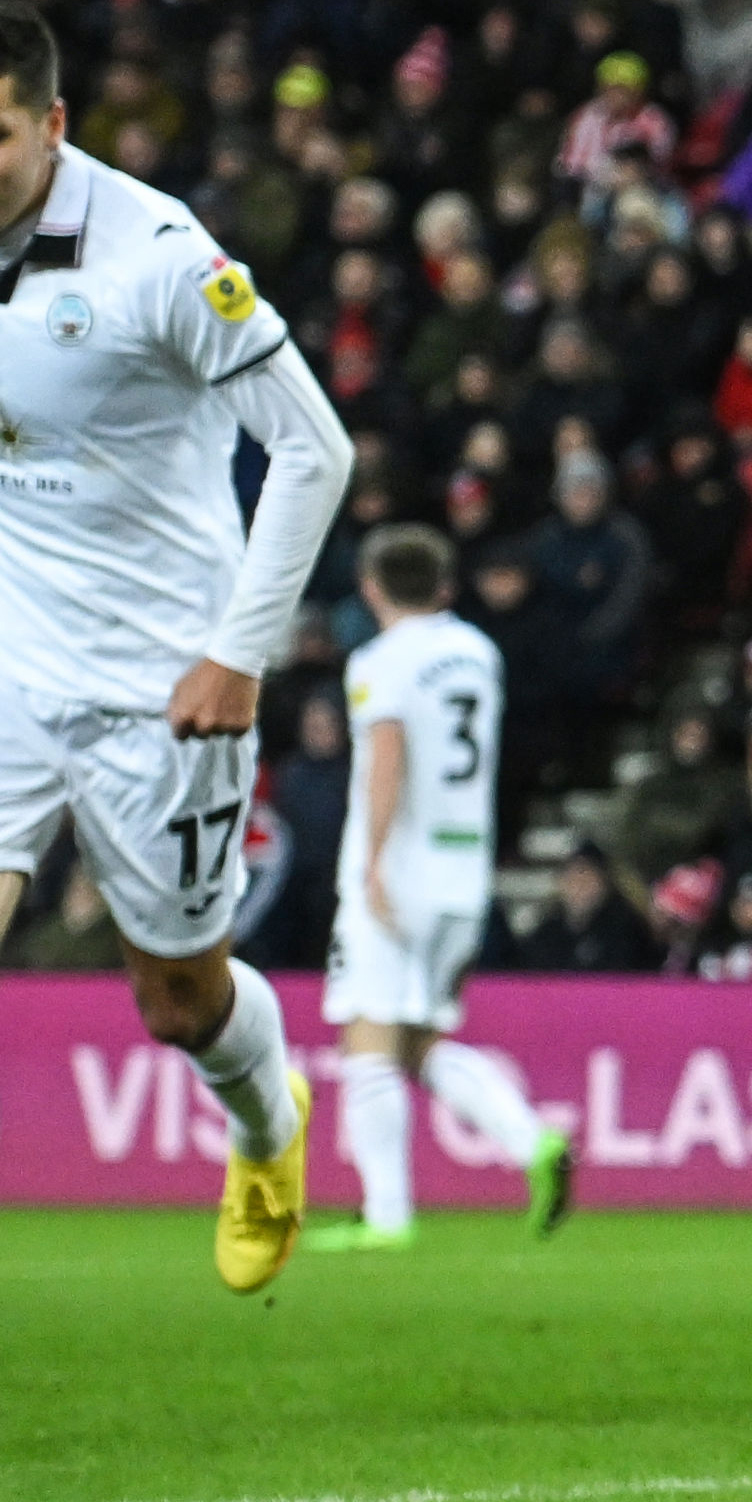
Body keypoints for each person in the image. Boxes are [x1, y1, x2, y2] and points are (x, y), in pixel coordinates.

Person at [0, 0, 355, 1431]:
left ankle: (268, 1122)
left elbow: (313, 448)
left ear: (53, 126)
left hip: (166, 682)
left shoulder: (160, 258)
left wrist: (239, 651)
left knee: (178, 995)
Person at [305, 524, 570, 1251]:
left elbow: (386, 753)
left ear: (371, 587)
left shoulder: (379, 660)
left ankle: (385, 1216)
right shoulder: (477, 653)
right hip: (465, 867)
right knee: (417, 1041)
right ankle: (532, 1139)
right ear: (447, 585)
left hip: (401, 866)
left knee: (366, 1032)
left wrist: (373, 862)